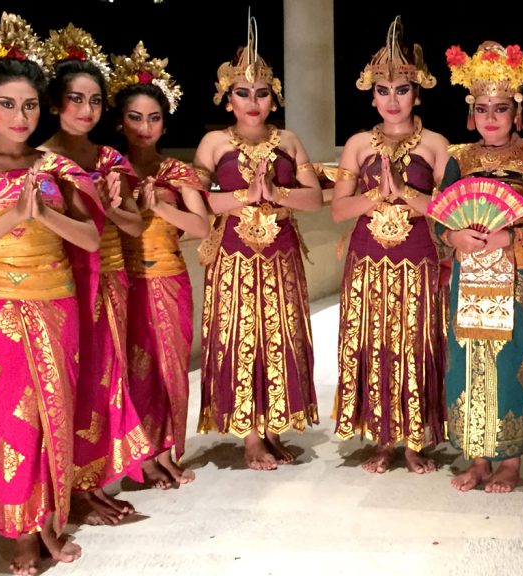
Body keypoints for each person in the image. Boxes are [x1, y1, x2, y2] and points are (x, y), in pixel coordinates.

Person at [0, 13, 99, 574]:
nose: (20, 116)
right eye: (7, 105)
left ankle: (51, 524)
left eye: (30, 105)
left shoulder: (54, 165)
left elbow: (92, 237)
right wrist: (9, 221)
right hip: (1, 307)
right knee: (11, 422)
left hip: (58, 302)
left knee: (57, 415)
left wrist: (47, 212)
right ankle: (20, 536)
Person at [195, 16, 323, 471]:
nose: (253, 102)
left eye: (262, 93)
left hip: (282, 254)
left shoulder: (288, 140)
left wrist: (278, 195)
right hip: (232, 257)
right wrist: (242, 198)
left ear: (274, 98)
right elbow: (198, 203)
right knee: (240, 335)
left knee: (280, 336)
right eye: (242, 93)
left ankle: (272, 429)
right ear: (227, 98)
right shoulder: (212, 143)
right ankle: (249, 436)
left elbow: (315, 198)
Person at [329, 17, 450, 475]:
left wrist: (405, 194)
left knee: (417, 341)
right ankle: (381, 438)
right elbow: (340, 210)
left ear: (416, 93)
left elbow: (448, 209)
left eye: (401, 90)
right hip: (366, 258)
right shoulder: (358, 145)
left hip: (417, 258)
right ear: (372, 95)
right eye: (383, 90)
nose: (392, 100)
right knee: (372, 343)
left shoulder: (437, 145)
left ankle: (416, 439)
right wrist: (378, 194)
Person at [41, 24, 150, 524]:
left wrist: (112, 204)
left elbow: (133, 223)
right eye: (75, 100)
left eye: (95, 101)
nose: (86, 111)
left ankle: (95, 482)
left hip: (110, 278)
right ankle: (72, 492)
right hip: (63, 285)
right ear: (55, 103)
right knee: (76, 386)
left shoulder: (110, 159)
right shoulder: (39, 161)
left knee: (108, 381)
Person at [437, 41, 523, 493]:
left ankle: (510, 462)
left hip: (517, 274)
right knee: (467, 363)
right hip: (468, 274)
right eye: (482, 109)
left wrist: (514, 236)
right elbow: (440, 219)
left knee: (512, 363)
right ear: (472, 112)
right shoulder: (460, 159)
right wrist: (453, 236)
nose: (490, 118)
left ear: (516, 112)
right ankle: (478, 457)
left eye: (500, 109)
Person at [109, 41, 210, 487]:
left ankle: (168, 450)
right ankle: (140, 456)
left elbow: (203, 226)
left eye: (154, 118)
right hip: (122, 281)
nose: (145, 127)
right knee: (131, 369)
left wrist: (162, 209)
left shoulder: (178, 172)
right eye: (135, 117)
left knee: (170, 368)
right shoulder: (107, 170)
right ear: (120, 121)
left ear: (165, 123)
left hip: (168, 277)